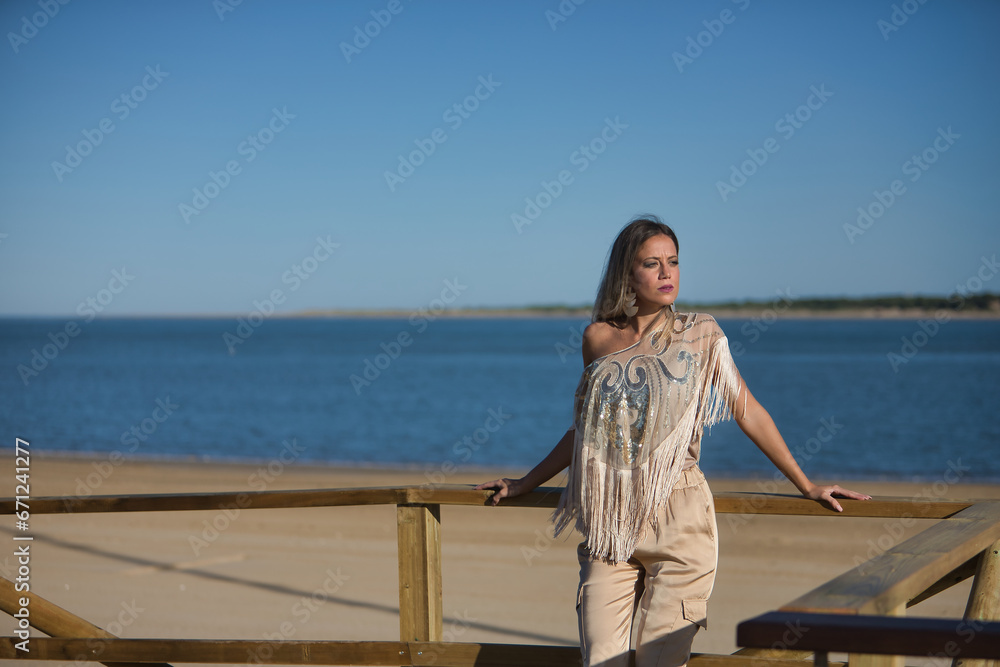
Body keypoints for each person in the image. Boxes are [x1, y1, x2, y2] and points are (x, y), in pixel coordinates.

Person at [475, 215, 871, 667]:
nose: (666, 273)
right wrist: (526, 481)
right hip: (609, 519)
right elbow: (586, 432)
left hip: (680, 518)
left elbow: (748, 410)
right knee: (600, 660)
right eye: (651, 263)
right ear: (628, 274)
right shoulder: (598, 338)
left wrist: (807, 485)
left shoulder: (700, 333)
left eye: (674, 261)